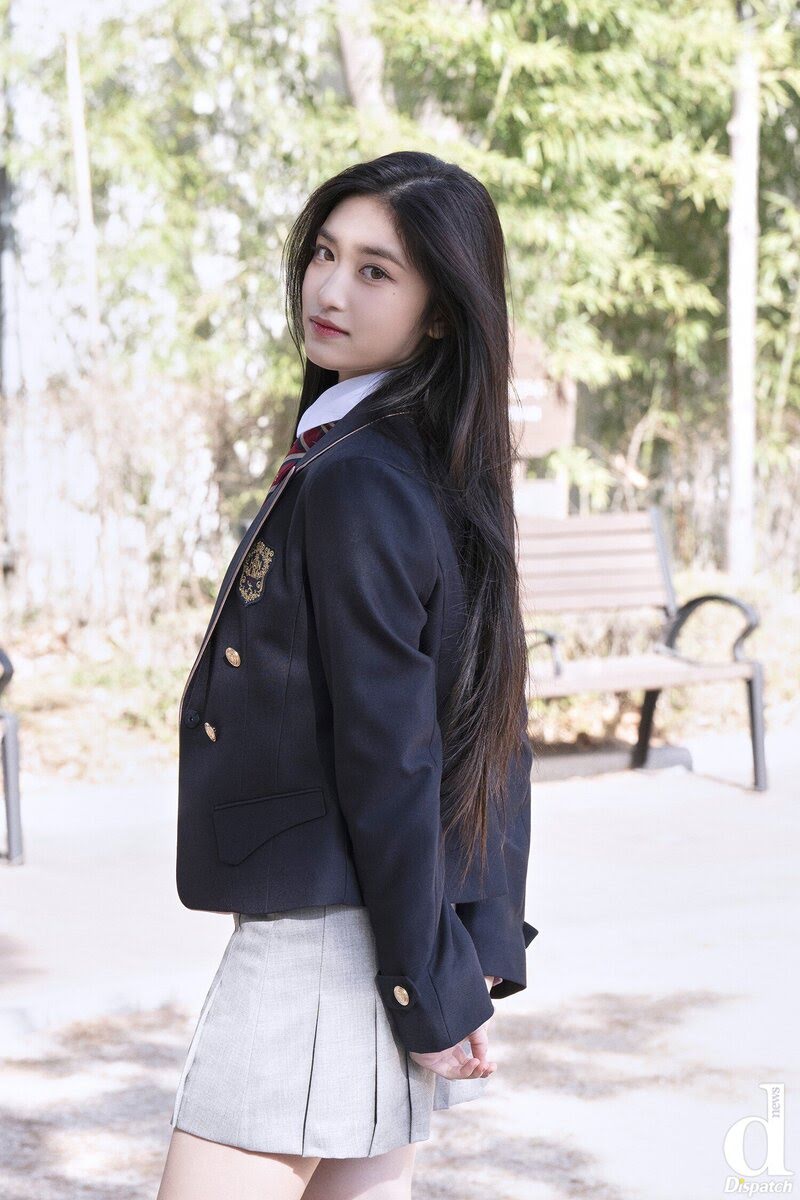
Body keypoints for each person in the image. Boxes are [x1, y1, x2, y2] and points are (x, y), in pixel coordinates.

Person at [157, 149, 537, 1200]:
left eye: (376, 270)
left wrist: (432, 980)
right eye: (325, 254)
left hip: (323, 943)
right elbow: (486, 715)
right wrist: (472, 936)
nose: (328, 289)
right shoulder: (423, 458)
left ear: (441, 313)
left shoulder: (360, 475)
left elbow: (400, 749)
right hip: (385, 927)